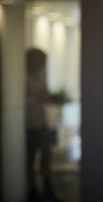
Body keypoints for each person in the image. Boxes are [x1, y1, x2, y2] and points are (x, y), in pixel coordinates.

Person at [26, 48, 62, 202]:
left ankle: (48, 193)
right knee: (29, 161)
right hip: (30, 126)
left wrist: (54, 98)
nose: (42, 65)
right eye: (41, 62)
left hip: (42, 123)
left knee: (46, 160)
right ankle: (33, 193)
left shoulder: (39, 77)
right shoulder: (23, 79)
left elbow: (45, 95)